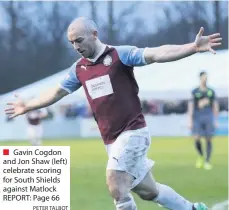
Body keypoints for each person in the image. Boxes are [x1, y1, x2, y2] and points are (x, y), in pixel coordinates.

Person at [5, 17, 222, 210]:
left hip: (133, 132)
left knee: (115, 181)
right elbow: (56, 92)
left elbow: (157, 53)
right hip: (111, 140)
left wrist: (192, 47)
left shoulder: (120, 55)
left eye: (79, 40)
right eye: (71, 42)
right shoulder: (79, 69)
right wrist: (28, 105)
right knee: (149, 191)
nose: (75, 46)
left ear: (94, 35)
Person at [188, 71, 219, 170]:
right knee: (196, 138)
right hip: (197, 117)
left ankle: (207, 161)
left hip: (208, 116)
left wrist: (216, 119)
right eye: (203, 78)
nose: (205, 79)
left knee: (209, 138)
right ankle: (201, 156)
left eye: (206, 78)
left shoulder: (211, 91)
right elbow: (191, 106)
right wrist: (190, 120)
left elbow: (215, 106)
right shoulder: (195, 91)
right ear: (200, 78)